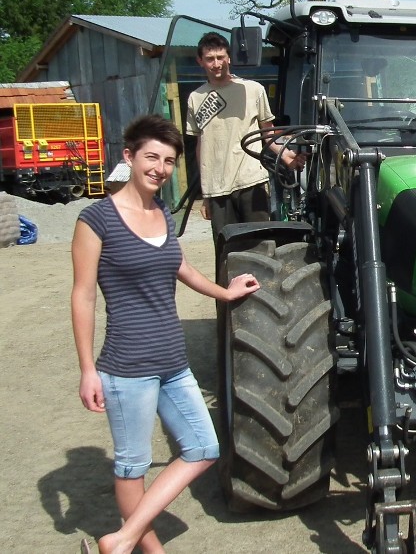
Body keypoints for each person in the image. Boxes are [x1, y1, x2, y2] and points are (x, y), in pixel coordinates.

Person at [71, 115, 261, 554]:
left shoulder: (161, 212)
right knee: (132, 465)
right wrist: (87, 369)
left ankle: (120, 540)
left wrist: (225, 292)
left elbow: (179, 266)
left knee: (203, 448)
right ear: (129, 156)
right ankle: (145, 549)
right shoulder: (95, 219)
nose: (160, 167)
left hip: (173, 363)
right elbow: (83, 296)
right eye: (151, 157)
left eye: (169, 161)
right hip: (126, 367)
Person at [185, 31, 304, 245]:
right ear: (200, 61)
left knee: (260, 245)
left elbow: (267, 132)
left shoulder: (252, 90)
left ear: (229, 58)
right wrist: (205, 195)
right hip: (217, 187)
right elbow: (201, 144)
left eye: (221, 57)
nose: (216, 63)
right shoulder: (195, 98)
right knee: (227, 251)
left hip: (251, 180)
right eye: (210, 59)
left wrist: (286, 156)